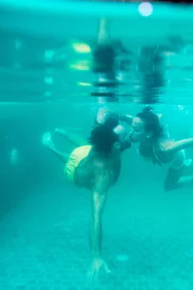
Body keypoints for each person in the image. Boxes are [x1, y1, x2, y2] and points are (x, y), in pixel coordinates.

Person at [41, 117, 131, 284]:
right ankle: (50, 147)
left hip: (87, 152)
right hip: (74, 171)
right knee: (68, 158)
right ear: (115, 146)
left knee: (83, 145)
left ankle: (61, 131)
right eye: (122, 138)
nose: (125, 140)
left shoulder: (104, 145)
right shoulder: (102, 175)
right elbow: (96, 215)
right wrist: (96, 256)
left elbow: (120, 138)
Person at [129, 106, 193, 190]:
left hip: (177, 158)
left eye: (135, 129)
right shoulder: (141, 130)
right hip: (154, 151)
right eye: (132, 127)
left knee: (169, 186)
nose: (131, 132)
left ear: (149, 133)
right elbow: (128, 119)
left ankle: (192, 176)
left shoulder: (166, 149)